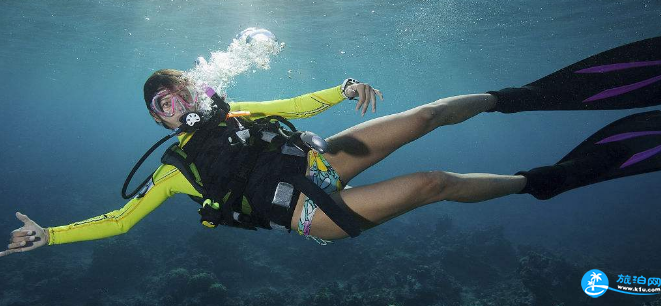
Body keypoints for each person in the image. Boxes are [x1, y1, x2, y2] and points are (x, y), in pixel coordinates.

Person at [2, 36, 660, 256]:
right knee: (433, 181)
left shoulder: (239, 108)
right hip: (313, 217)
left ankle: (523, 94)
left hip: (324, 157)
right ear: (157, 124)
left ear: (191, 90)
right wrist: (51, 237)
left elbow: (292, 107)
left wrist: (340, 88)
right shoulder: (175, 167)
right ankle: (542, 180)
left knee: (428, 114)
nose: (167, 106)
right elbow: (119, 220)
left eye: (171, 93)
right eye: (157, 107)